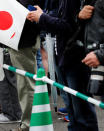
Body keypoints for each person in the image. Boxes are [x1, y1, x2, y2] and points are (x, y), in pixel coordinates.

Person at [27, 0, 98, 130]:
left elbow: (67, 25)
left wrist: (42, 17)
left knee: (81, 109)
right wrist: (43, 15)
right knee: (72, 108)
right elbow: (64, 18)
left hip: (76, 56)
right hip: (64, 54)